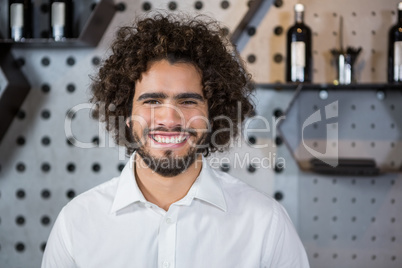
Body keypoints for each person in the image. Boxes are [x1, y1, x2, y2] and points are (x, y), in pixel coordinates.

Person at [42, 13, 310, 268]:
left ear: (213, 115)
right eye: (152, 101)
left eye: (188, 101)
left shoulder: (266, 224)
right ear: (126, 113)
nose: (169, 119)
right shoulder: (75, 223)